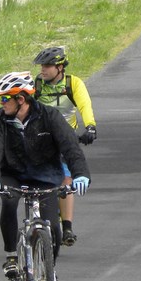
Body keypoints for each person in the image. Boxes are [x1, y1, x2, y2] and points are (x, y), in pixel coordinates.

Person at [0, 71, 91, 281]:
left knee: (53, 228)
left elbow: (70, 147)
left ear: (21, 99)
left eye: (4, 99)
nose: (1, 104)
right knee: (9, 202)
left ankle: (50, 273)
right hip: (13, 173)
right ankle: (12, 256)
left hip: (45, 175)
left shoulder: (49, 116)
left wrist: (81, 175)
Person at [33, 46, 97, 247]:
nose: (43, 69)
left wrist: (90, 127)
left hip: (65, 138)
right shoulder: (37, 85)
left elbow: (84, 105)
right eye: (42, 66)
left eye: (48, 66)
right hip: (41, 138)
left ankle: (67, 227)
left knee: (66, 179)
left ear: (60, 67)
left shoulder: (73, 84)